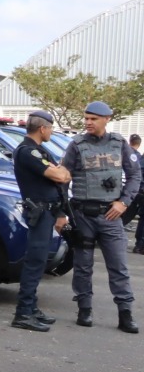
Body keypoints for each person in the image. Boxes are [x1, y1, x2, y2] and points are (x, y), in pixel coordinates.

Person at [61, 101, 141, 332]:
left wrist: (124, 202)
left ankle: (125, 313)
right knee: (83, 265)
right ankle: (84, 309)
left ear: (107, 119)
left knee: (118, 266)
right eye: (86, 118)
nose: (88, 122)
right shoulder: (76, 145)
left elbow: (135, 175)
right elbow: (63, 178)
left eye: (93, 119)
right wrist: (62, 212)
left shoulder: (119, 143)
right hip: (83, 215)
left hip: (110, 216)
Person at [9, 110, 70, 332]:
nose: (51, 132)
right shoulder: (27, 151)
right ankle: (23, 313)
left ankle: (31, 308)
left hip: (48, 212)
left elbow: (63, 175)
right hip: (40, 213)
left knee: (39, 260)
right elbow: (60, 175)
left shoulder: (40, 150)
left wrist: (60, 172)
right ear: (42, 128)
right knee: (34, 261)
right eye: (51, 128)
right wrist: (59, 171)